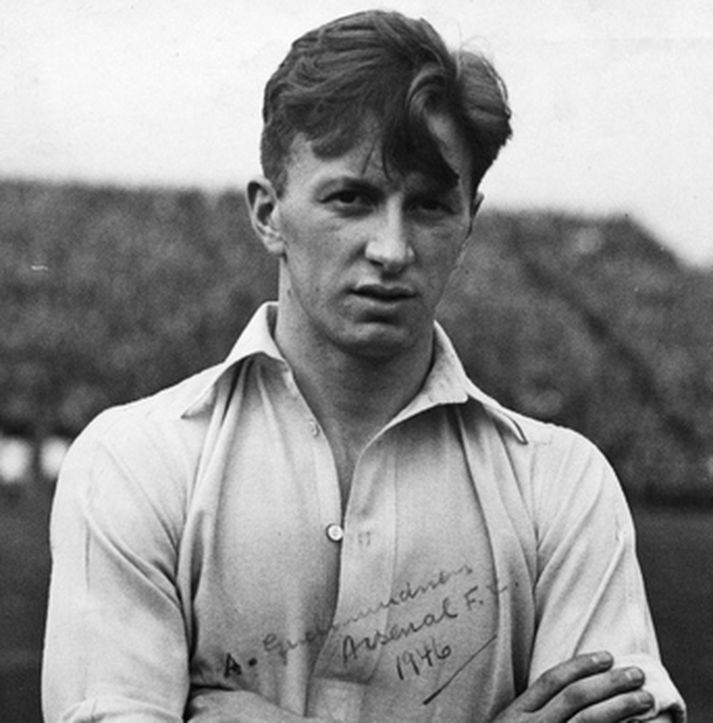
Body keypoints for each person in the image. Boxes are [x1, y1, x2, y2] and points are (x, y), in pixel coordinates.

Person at [42, 9, 686, 723]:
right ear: (268, 214)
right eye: (352, 198)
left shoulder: (562, 485)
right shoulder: (133, 461)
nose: (392, 249)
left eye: (430, 206)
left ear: (468, 222)